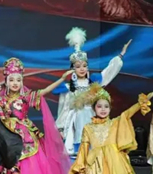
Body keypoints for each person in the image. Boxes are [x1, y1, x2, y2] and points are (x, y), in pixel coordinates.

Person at [53, 27, 130, 158]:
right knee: (77, 153)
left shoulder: (94, 82)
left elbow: (109, 72)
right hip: (75, 122)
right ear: (73, 69)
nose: (82, 69)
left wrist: (120, 55)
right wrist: (60, 128)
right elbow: (64, 108)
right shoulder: (68, 87)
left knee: (94, 153)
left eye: (84, 66)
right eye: (78, 66)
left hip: (92, 118)